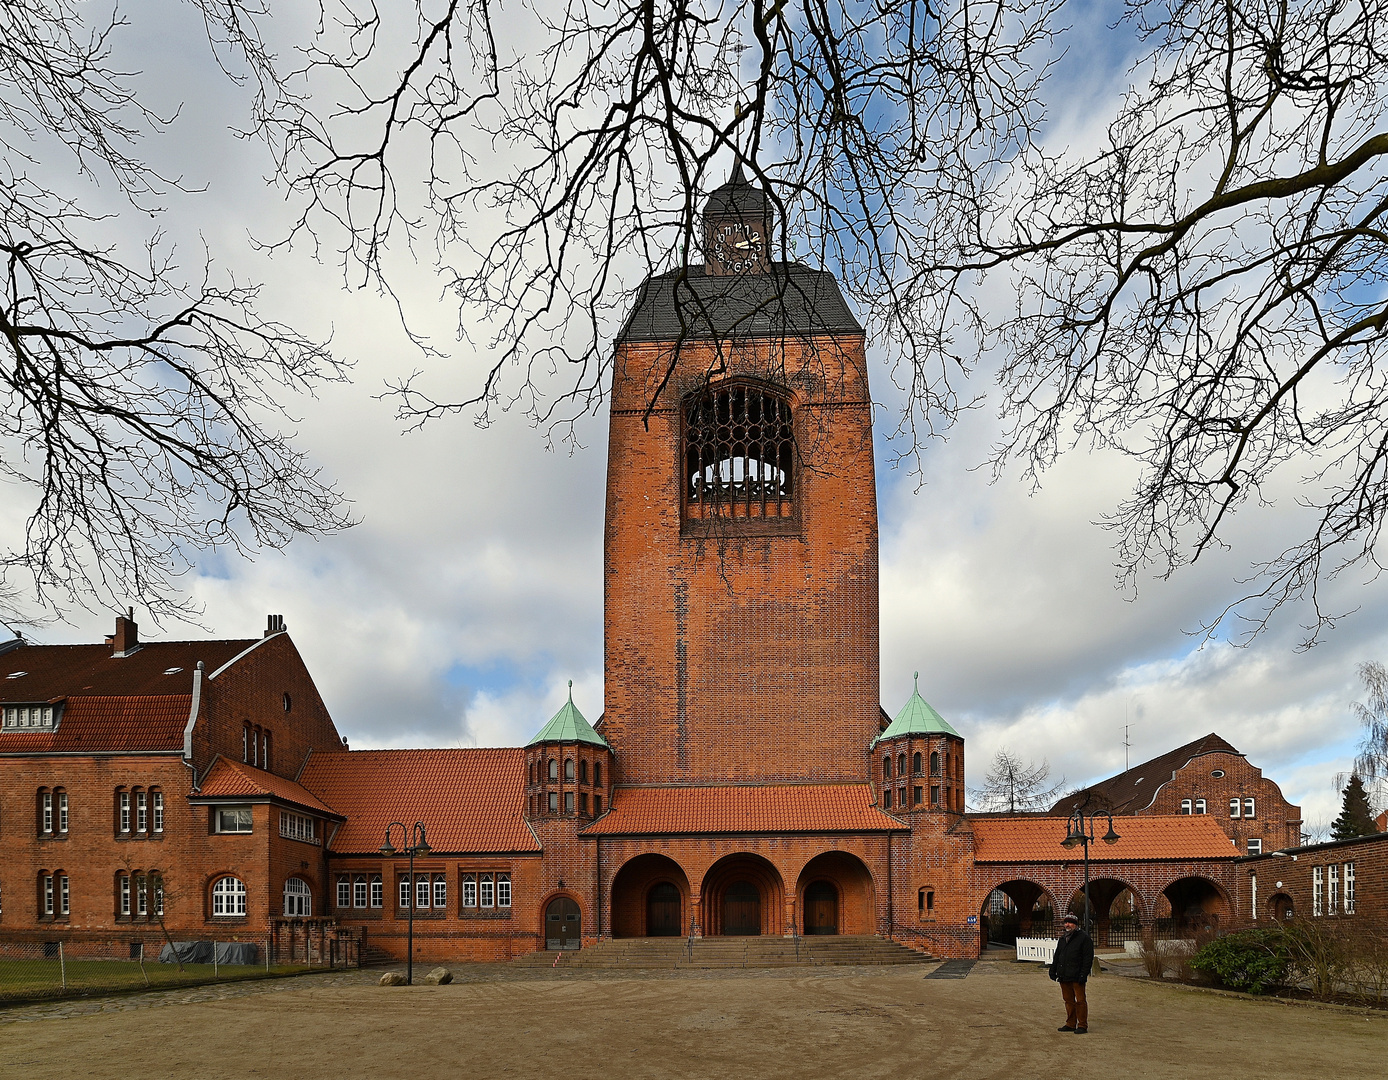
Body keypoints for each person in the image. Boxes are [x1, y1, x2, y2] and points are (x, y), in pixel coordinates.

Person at [1048, 913, 1095, 1033]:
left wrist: (1083, 974)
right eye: (1066, 922)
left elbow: (1088, 958)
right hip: (1064, 974)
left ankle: (1082, 1025)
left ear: (1075, 924)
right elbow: (1058, 955)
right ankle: (1070, 1023)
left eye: (1070, 922)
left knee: (1080, 1001)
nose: (1067, 925)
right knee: (1068, 1001)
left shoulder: (1084, 938)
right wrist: (1053, 970)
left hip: (1077, 974)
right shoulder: (1063, 939)